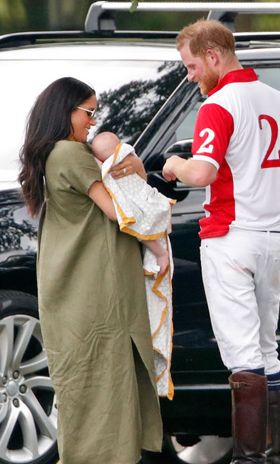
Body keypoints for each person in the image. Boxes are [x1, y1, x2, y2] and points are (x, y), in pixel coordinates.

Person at [163, 20, 280, 464]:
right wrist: (278, 205)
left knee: (242, 355)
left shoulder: (219, 105)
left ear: (213, 56)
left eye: (193, 65)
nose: (191, 75)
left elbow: (204, 172)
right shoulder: (276, 99)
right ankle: (275, 456)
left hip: (230, 238)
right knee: (267, 350)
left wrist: (176, 163)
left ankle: (249, 459)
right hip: (271, 237)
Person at [18, 77, 162, 464]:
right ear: (66, 111)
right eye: (88, 112)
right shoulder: (71, 154)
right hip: (95, 292)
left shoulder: (52, 155)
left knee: (84, 392)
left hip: (72, 292)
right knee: (105, 393)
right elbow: (122, 211)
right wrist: (136, 173)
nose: (93, 122)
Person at [91, 130, 175, 400]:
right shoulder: (100, 169)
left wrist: (138, 169)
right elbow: (125, 211)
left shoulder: (122, 164)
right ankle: (159, 252)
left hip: (139, 219)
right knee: (143, 224)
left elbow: (130, 204)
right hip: (136, 229)